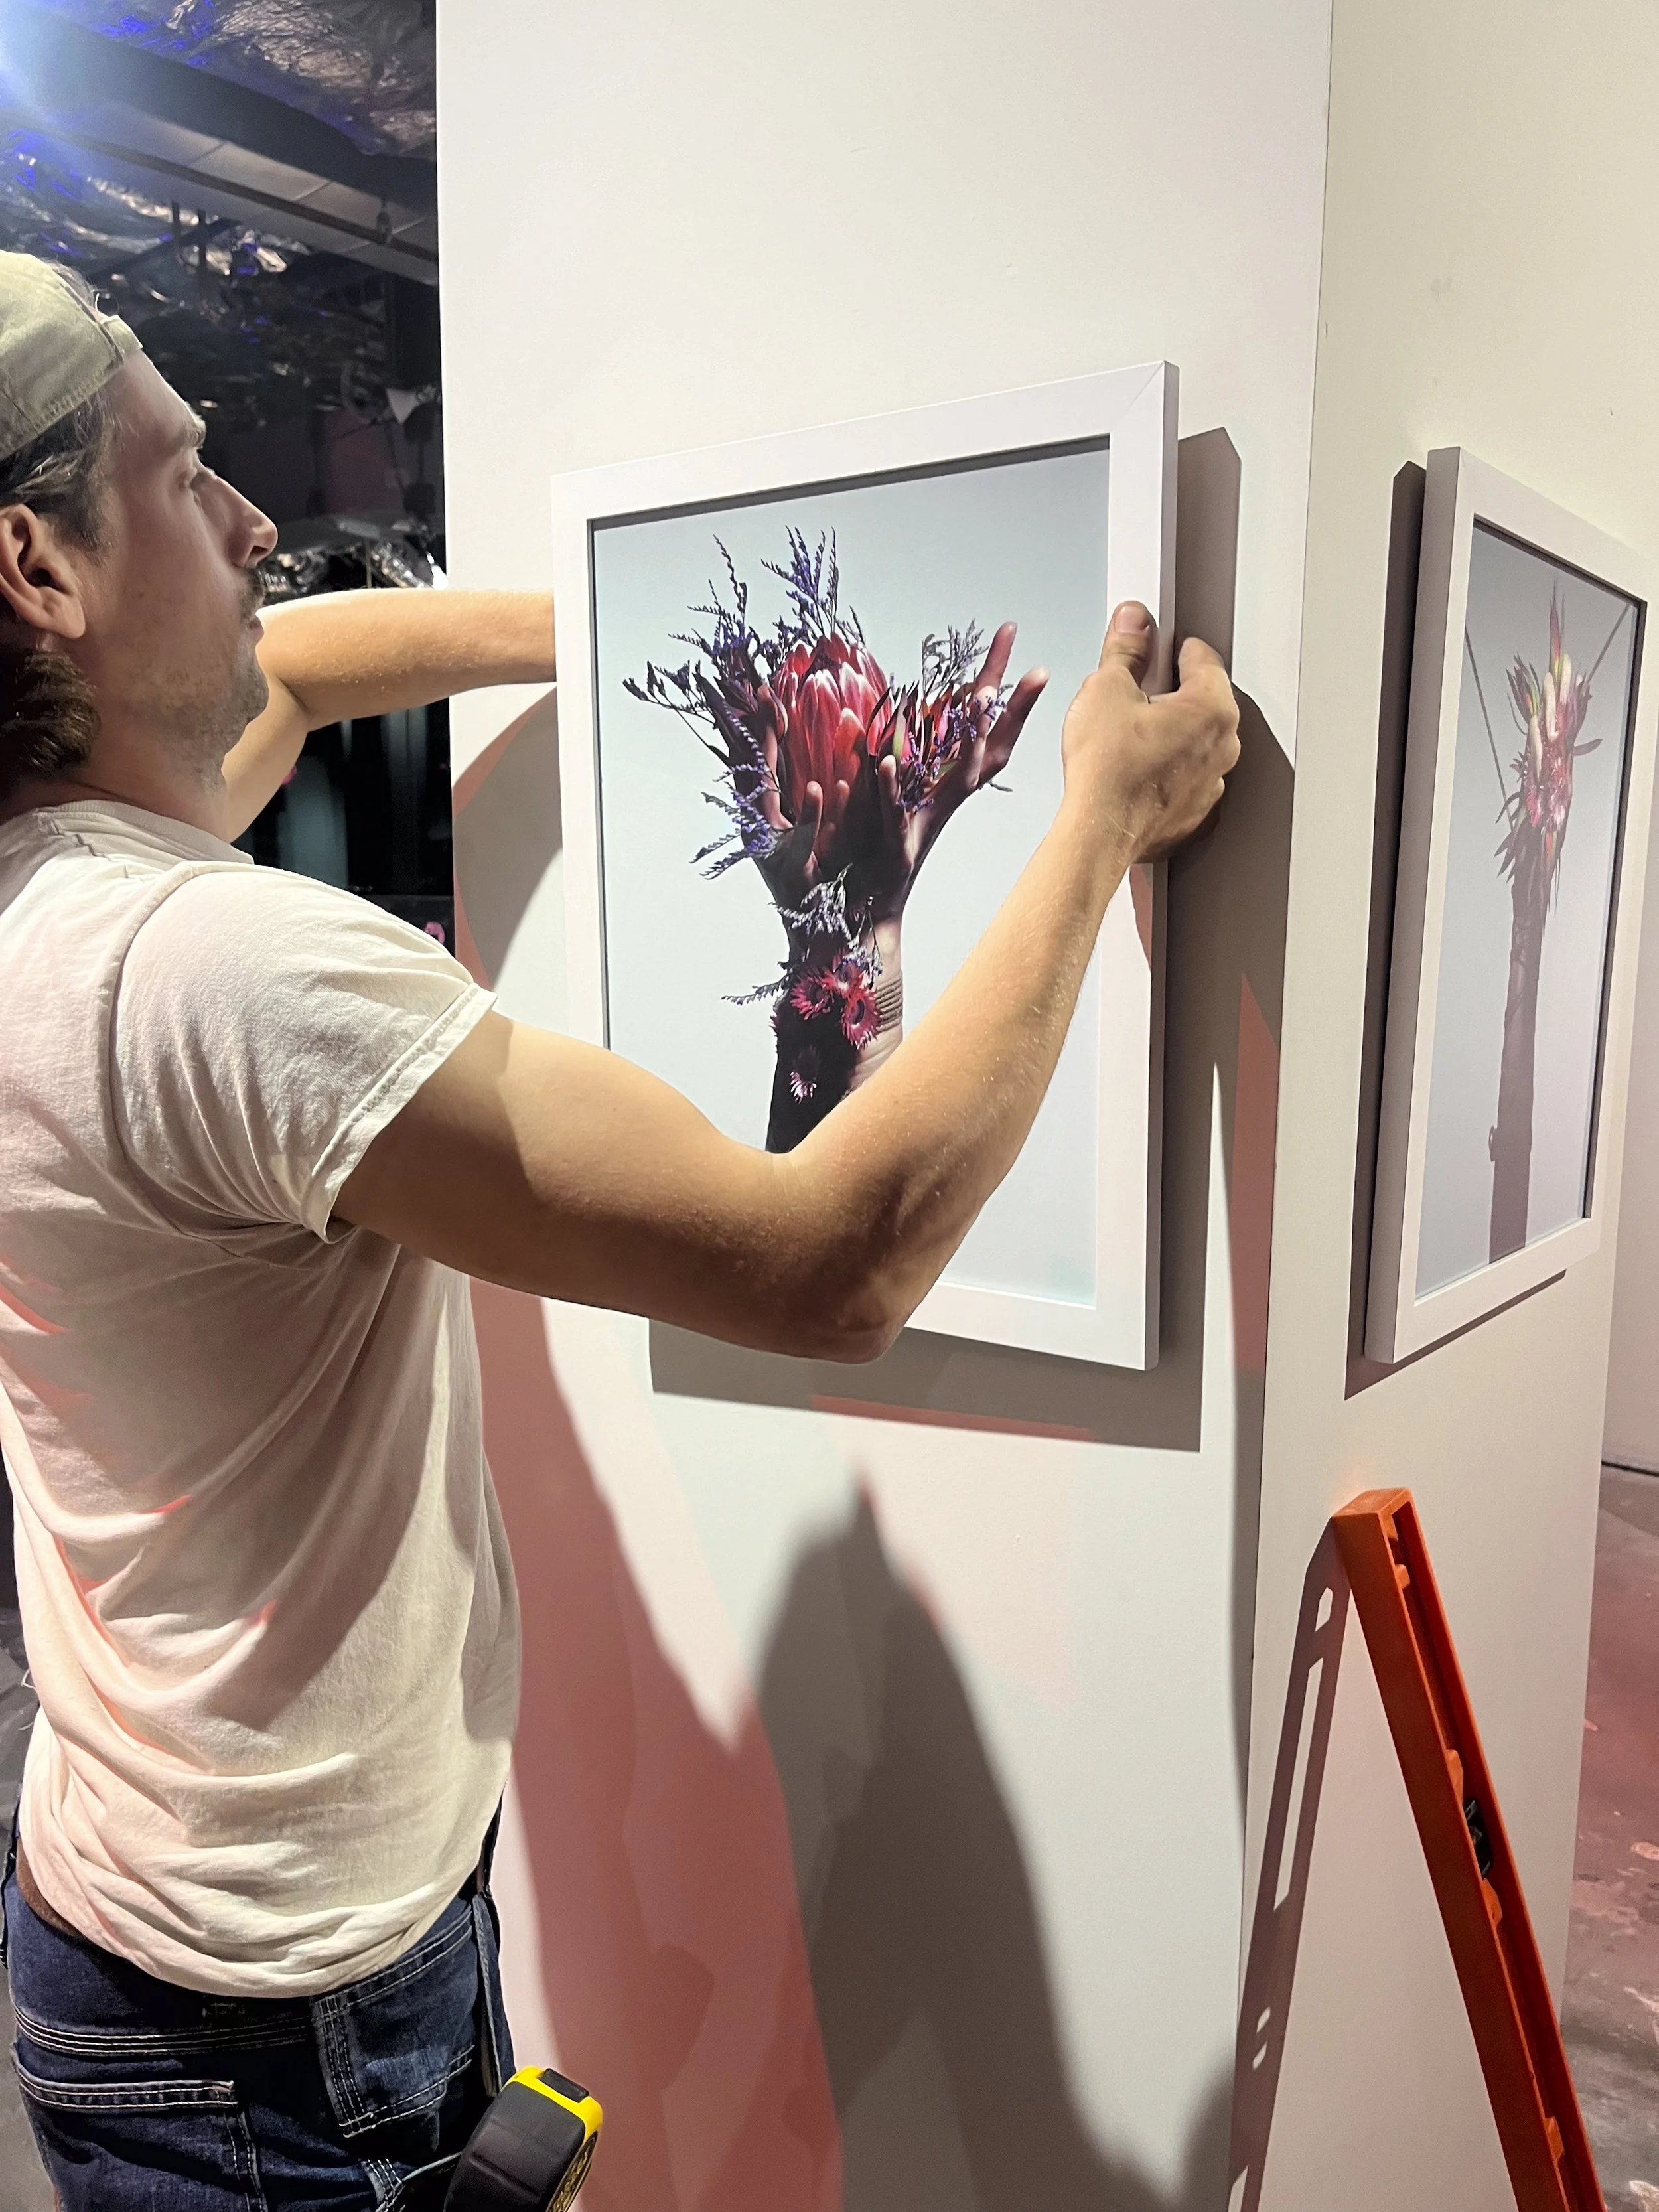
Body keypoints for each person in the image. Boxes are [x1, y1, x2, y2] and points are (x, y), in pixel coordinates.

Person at [0, 251, 1240, 2209]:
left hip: (139, 1915)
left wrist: (625, 612)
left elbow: (303, 670)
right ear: (38, 569)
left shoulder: (48, 892)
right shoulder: (207, 972)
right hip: (278, 2025)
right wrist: (1095, 817)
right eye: (182, 477)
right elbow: (828, 1260)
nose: (255, 525)